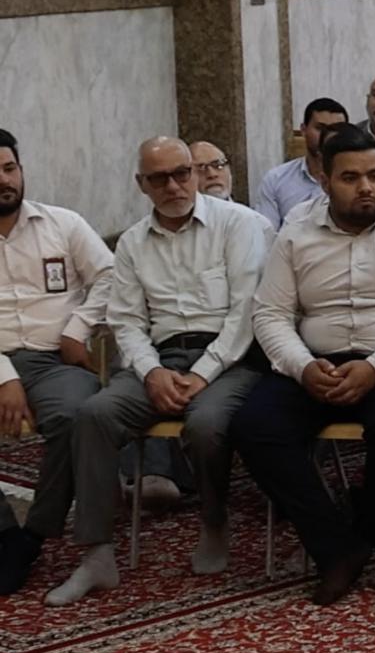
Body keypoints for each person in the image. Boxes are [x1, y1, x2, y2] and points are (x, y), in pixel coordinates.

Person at [233, 126, 375, 605]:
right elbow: (270, 313)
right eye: (350, 178)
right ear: (325, 182)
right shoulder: (296, 230)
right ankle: (334, 546)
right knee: (255, 426)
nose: (366, 187)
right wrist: (301, 366)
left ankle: (367, 531)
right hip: (316, 361)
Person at [60, 140, 269, 599]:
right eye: (160, 178)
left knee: (206, 423)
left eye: (182, 173)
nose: (174, 186)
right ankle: (97, 554)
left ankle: (214, 521)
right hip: (160, 358)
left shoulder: (239, 224)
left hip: (230, 359)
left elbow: (246, 313)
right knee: (94, 415)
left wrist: (203, 373)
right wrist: (152, 372)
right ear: (142, 184)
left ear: (194, 172)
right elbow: (127, 322)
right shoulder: (133, 243)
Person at [0, 129, 114, 597]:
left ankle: (33, 535)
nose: (4, 180)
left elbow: (111, 276)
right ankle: (4, 534)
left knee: (75, 416)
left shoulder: (62, 224)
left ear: (21, 170)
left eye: (9, 168)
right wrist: (5, 377)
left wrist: (78, 327)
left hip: (54, 361)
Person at [253, 98, 348, 229]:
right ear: (303, 130)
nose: (327, 136)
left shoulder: (358, 181)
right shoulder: (276, 180)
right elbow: (266, 233)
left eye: (336, 130)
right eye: (320, 128)